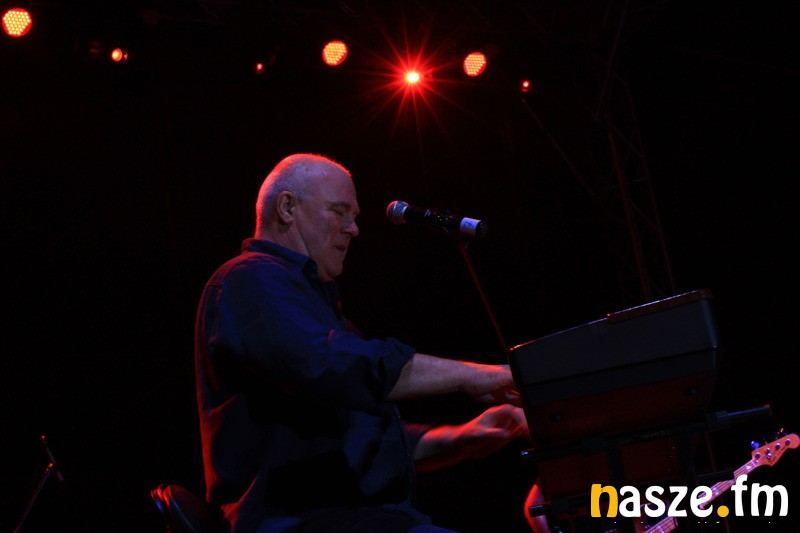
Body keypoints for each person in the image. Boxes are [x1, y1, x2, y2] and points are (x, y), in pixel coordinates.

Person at [194, 153, 534, 533]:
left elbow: (364, 439)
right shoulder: (248, 279)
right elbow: (336, 364)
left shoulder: (316, 305)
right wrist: (471, 375)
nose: (353, 229)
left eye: (354, 216)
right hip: (299, 522)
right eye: (340, 212)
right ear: (287, 207)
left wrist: (468, 435)